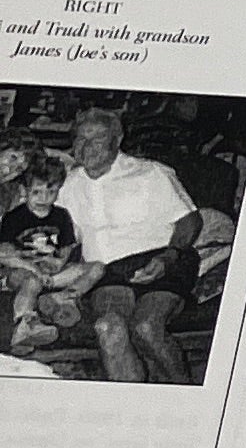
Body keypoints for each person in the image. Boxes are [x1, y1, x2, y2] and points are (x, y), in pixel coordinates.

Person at [57, 106, 202, 384]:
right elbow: (59, 234)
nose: (87, 147)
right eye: (80, 139)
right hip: (108, 271)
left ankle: (184, 394)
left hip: (161, 259)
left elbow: (190, 221)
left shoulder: (150, 173)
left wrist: (169, 257)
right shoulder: (69, 185)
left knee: (146, 327)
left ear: (118, 139)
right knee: (108, 327)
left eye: (98, 138)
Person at [1, 162, 91, 356]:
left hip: (51, 273)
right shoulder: (13, 218)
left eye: (51, 192)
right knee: (32, 281)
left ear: (59, 190)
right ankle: (25, 324)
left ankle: (64, 298)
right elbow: (5, 254)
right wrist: (35, 269)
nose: (44, 198)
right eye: (37, 192)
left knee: (94, 268)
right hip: (22, 271)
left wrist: (59, 262)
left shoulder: (61, 215)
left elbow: (66, 247)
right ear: (25, 191)